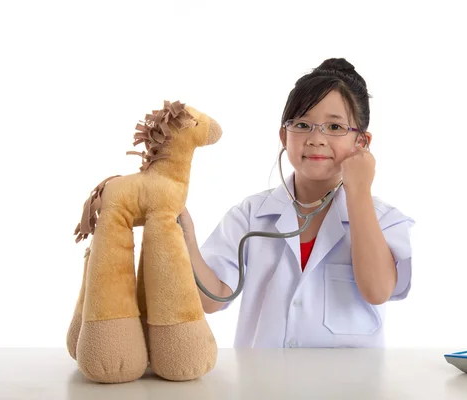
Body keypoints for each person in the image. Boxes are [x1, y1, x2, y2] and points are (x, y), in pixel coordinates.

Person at [178, 58, 415, 348]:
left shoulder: (385, 219)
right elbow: (212, 299)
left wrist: (359, 191)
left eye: (335, 126)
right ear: (284, 136)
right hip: (264, 386)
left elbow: (377, 291)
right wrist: (185, 238)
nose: (316, 138)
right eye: (302, 124)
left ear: (361, 143)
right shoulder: (251, 215)